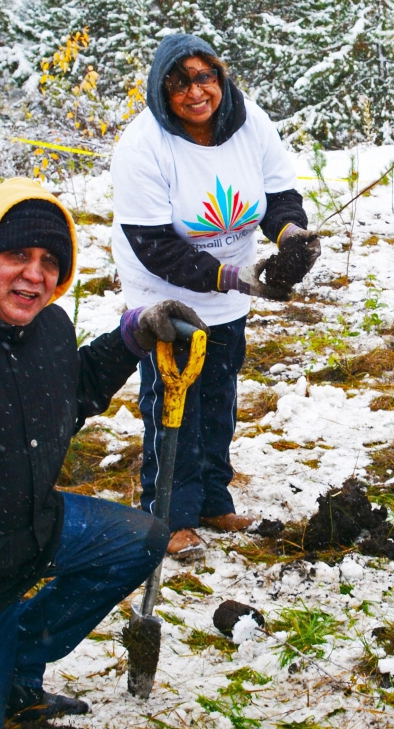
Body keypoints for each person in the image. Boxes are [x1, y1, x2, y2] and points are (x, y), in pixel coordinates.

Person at [0, 178, 200, 729]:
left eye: (50, 261)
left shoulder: (48, 327)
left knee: (141, 537)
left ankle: (21, 668)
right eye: (17, 254)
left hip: (37, 529)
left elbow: (73, 391)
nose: (35, 274)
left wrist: (132, 335)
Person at [110, 34, 319, 560]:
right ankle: (169, 516)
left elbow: (278, 196)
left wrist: (290, 235)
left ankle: (210, 499)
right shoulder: (144, 145)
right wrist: (231, 277)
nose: (195, 91)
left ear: (221, 78)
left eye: (205, 76)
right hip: (166, 295)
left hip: (231, 289)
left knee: (219, 396)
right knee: (175, 402)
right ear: (162, 91)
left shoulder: (250, 124)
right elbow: (153, 243)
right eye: (179, 82)